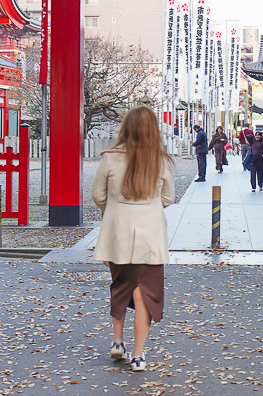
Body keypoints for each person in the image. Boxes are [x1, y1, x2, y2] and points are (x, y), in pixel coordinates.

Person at [90, 105, 175, 372]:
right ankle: (138, 356)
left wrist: (113, 208)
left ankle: (117, 341)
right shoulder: (159, 160)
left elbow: (97, 196)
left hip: (118, 232)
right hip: (150, 235)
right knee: (143, 294)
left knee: (120, 285)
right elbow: (168, 198)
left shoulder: (110, 158)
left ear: (125, 127)